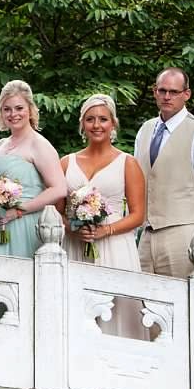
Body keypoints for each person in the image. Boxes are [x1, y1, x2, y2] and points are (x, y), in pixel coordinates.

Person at [59, 94, 148, 339]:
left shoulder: (127, 163)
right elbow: (56, 210)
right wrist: (72, 228)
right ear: (82, 124)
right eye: (90, 119)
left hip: (115, 247)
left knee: (117, 312)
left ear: (113, 124)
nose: (96, 125)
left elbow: (138, 215)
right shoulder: (66, 162)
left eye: (103, 119)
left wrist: (106, 230)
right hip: (76, 246)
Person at [134, 68, 194, 278]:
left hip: (184, 237)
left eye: (174, 92)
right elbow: (138, 184)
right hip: (146, 236)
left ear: (186, 94)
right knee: (141, 297)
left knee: (183, 297)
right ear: (154, 92)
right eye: (162, 91)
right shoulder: (145, 130)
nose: (167, 97)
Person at [0, 80, 68, 259]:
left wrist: (19, 210)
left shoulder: (39, 144)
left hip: (24, 222)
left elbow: (59, 189)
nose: (13, 114)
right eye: (7, 109)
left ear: (30, 110)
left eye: (19, 108)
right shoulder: (1, 144)